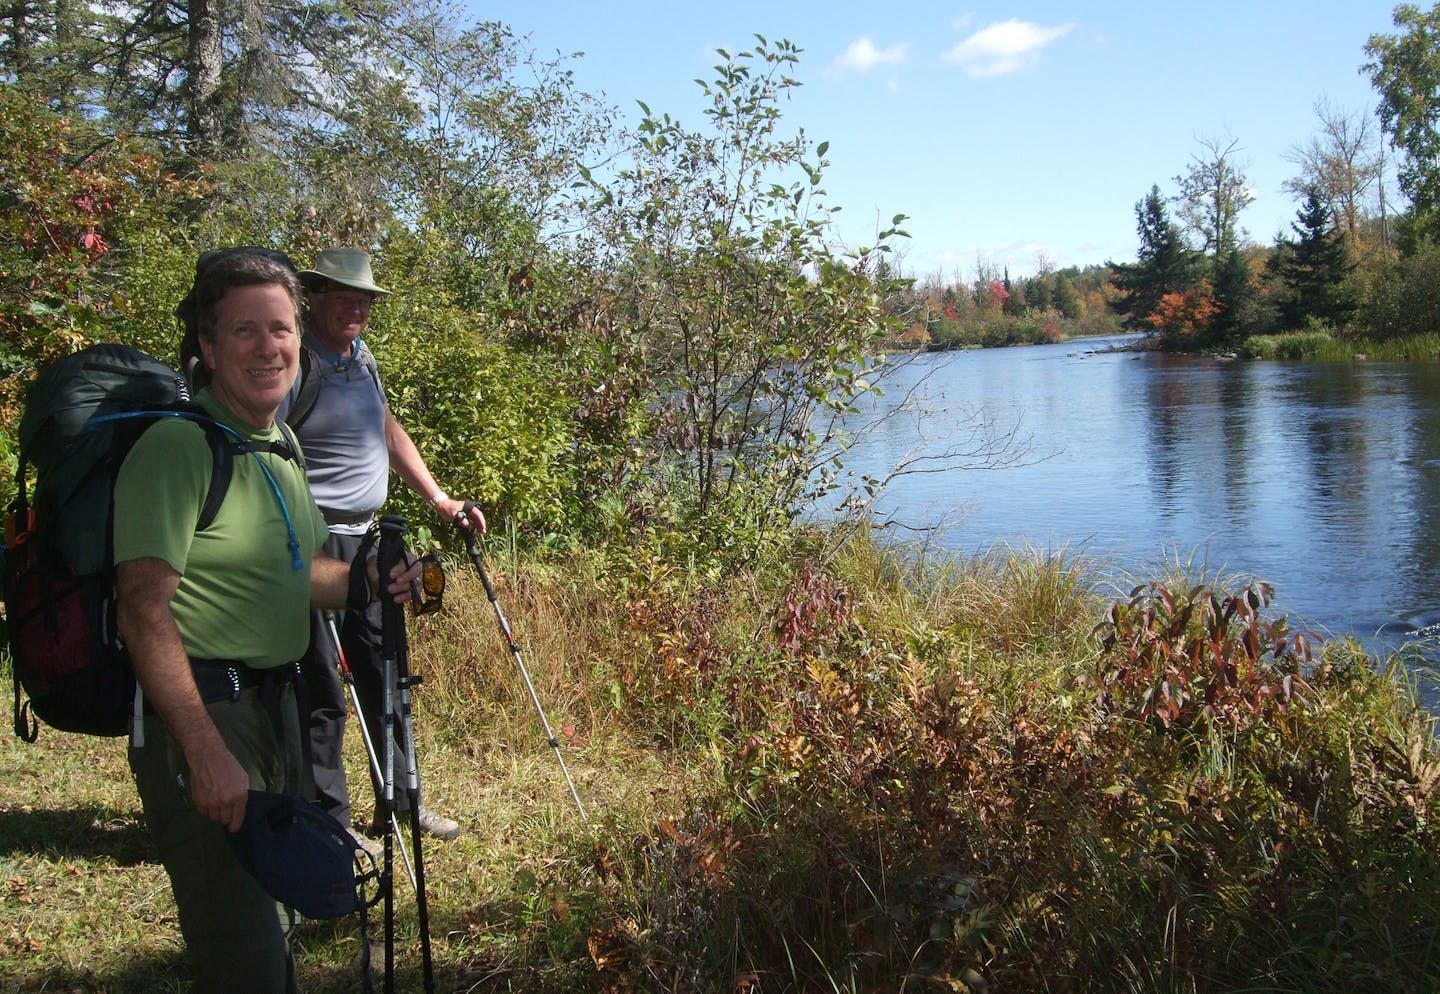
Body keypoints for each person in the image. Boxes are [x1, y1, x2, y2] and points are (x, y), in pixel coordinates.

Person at [115, 251, 421, 993]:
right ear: (208, 346)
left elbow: (292, 575)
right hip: (211, 716)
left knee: (270, 933)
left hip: (277, 707)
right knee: (243, 955)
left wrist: (363, 583)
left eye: (280, 329)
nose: (269, 347)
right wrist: (205, 749)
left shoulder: (276, 448)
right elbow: (142, 608)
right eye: (243, 331)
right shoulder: (178, 449)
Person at [286, 247, 483, 843]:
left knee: (385, 674)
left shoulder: (360, 358)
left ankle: (400, 801)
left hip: (371, 542)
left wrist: (439, 499)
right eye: (343, 296)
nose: (355, 308)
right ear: (314, 296)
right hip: (315, 545)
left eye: (364, 299)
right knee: (323, 690)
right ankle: (328, 823)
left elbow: (387, 429)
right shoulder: (294, 364)